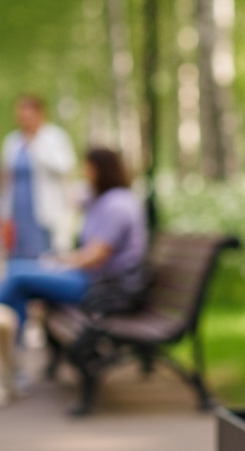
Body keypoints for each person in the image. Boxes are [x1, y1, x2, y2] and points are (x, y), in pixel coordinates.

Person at [0, 147, 148, 356]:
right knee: (20, 282)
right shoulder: (104, 199)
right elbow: (73, 197)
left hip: (103, 288)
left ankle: (11, 359)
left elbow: (95, 257)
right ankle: (11, 359)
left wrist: (58, 262)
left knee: (17, 275)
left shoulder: (117, 205)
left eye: (87, 167)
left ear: (99, 170)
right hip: (95, 280)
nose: (83, 172)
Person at [2, 94, 77, 260]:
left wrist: (35, 145)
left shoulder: (55, 137)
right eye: (21, 117)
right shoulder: (12, 141)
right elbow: (7, 180)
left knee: (46, 256)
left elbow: (65, 166)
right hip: (18, 212)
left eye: (29, 116)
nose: (25, 121)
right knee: (18, 256)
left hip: (45, 210)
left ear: (40, 115)